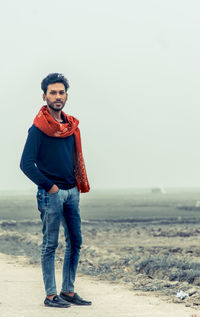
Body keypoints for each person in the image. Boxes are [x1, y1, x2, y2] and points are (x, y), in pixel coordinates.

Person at [20, 73, 91, 308]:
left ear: (66, 96)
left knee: (75, 242)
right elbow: (26, 164)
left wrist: (74, 186)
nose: (57, 96)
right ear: (45, 96)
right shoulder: (38, 129)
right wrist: (50, 187)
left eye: (61, 93)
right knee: (50, 244)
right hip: (51, 193)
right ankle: (51, 295)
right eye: (53, 92)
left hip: (72, 192)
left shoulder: (70, 127)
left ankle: (68, 291)